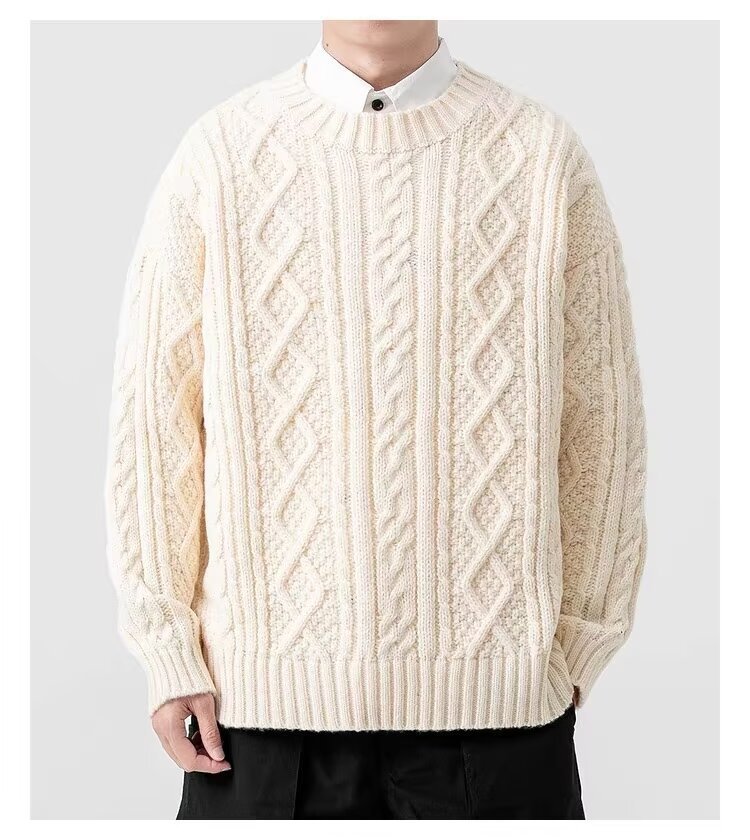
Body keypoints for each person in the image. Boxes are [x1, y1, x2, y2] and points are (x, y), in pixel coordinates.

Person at [104, 19, 647, 819]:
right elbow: (155, 417)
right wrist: (166, 645)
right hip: (257, 726)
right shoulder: (222, 152)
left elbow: (602, 422)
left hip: (498, 728)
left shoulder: (541, 155)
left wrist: (578, 641)